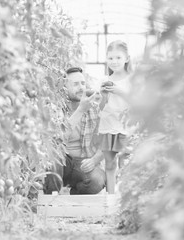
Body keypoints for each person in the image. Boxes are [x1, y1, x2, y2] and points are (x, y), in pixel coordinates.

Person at [44, 67, 106, 195]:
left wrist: (94, 160)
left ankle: (75, 196)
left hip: (82, 163)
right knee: (54, 156)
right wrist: (80, 110)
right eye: (75, 84)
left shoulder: (94, 109)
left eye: (83, 83)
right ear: (64, 87)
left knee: (98, 181)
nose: (81, 87)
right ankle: (50, 199)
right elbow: (57, 139)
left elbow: (105, 141)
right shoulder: (56, 108)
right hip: (62, 163)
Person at [99, 40, 132, 194]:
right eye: (110, 58)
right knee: (109, 164)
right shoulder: (105, 80)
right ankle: (110, 197)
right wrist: (103, 95)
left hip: (126, 126)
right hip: (108, 125)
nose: (114, 61)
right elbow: (102, 106)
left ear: (127, 58)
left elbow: (137, 101)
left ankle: (125, 195)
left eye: (118, 57)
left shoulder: (131, 79)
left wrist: (119, 91)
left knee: (126, 162)